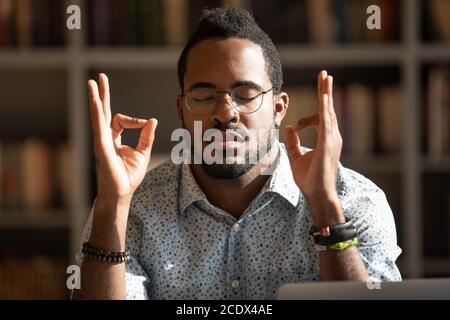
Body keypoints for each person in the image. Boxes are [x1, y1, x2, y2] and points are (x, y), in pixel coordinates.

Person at [73, 7, 401, 300]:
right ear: (181, 110)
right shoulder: (132, 208)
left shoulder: (354, 199)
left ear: (278, 108)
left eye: (245, 95)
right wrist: (112, 204)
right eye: (203, 96)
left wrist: (325, 205)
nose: (225, 113)